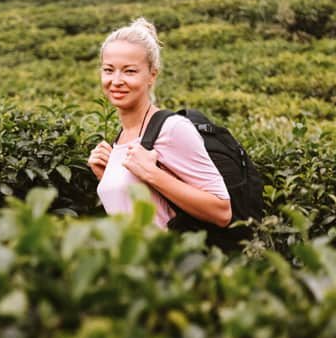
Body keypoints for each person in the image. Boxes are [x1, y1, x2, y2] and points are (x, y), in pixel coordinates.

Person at [87, 18, 232, 230]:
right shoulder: (121, 137)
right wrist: (106, 174)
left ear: (152, 75)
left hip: (168, 261)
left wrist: (152, 174)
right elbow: (140, 212)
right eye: (109, 70)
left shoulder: (172, 129)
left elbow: (222, 211)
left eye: (129, 71)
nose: (116, 80)